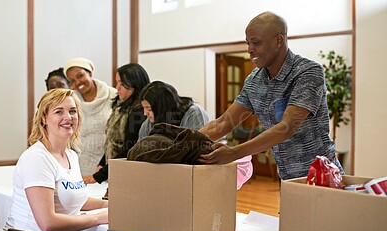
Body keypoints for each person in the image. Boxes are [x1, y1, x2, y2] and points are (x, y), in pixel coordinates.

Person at [198, 11, 344, 180]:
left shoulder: (308, 72)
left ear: (278, 40)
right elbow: (223, 122)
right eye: (248, 43)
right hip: (288, 178)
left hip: (323, 176)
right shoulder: (254, 80)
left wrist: (234, 153)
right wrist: (182, 144)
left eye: (256, 43)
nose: (250, 50)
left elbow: (286, 127)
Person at [2, 89, 133, 231]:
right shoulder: (37, 158)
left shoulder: (70, 154)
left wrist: (113, 206)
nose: (68, 117)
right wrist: (99, 217)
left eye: (72, 111)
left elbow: (75, 199)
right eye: (59, 112)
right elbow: (47, 222)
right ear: (43, 119)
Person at [83, 63, 149, 184]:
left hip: (127, 172)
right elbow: (111, 141)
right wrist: (102, 164)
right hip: (113, 170)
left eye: (123, 84)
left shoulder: (139, 111)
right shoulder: (120, 106)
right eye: (117, 82)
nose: (117, 88)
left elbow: (129, 149)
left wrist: (99, 176)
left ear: (135, 85)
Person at [64, 58, 117, 176]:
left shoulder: (113, 96)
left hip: (107, 164)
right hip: (79, 163)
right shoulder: (70, 101)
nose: (77, 82)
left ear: (90, 73)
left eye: (80, 76)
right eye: (72, 81)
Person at [138, 80, 211, 140]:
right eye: (144, 108)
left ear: (163, 107)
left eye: (149, 109)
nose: (145, 113)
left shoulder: (193, 114)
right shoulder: (148, 124)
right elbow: (139, 151)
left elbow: (198, 148)